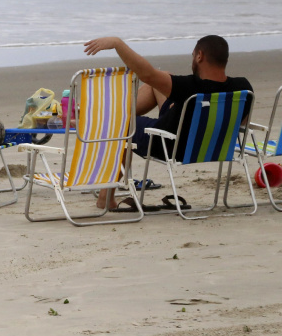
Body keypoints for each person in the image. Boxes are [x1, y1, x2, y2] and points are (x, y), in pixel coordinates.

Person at [83, 35, 252, 209]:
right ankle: (102, 118)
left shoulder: (189, 87)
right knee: (162, 79)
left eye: (193, 55)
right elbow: (241, 122)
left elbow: (147, 74)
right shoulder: (243, 88)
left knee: (120, 123)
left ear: (200, 56)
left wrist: (117, 43)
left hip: (167, 144)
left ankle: (106, 195)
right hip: (209, 146)